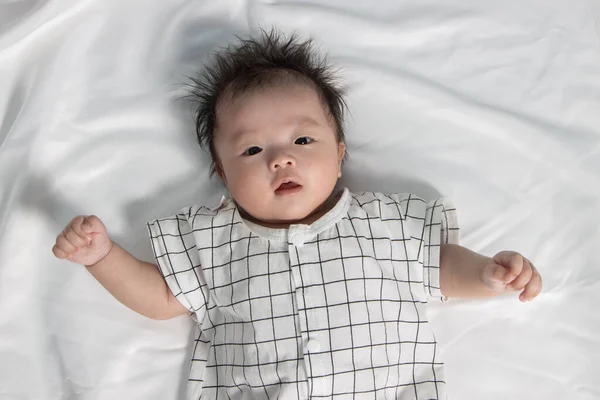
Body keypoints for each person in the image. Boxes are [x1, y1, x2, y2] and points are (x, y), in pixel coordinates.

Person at [52, 29, 542, 399]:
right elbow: (161, 297)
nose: (280, 158)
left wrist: (487, 273)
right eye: (252, 150)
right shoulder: (210, 239)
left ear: (341, 151)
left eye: (303, 140)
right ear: (221, 172)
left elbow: (440, 267)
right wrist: (103, 256)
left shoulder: (386, 223)